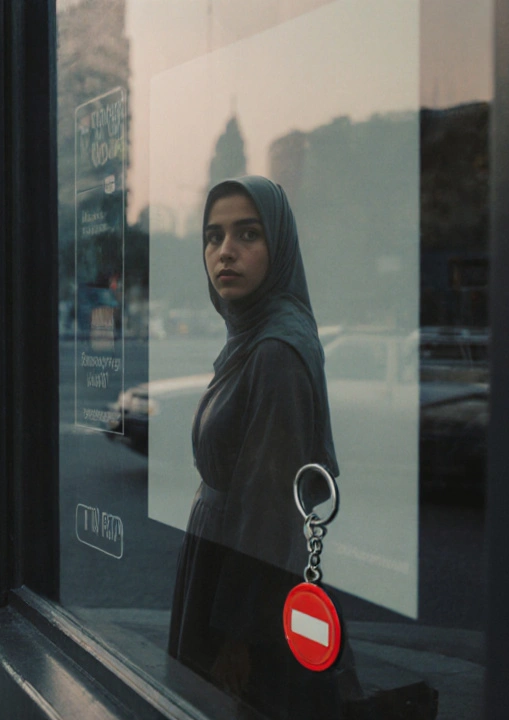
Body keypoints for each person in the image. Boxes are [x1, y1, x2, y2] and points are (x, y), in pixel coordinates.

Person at [167, 176, 356, 717]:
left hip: (245, 596)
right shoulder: (250, 338)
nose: (225, 251)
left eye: (247, 234)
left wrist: (239, 639)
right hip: (225, 567)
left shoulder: (276, 350)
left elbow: (271, 509)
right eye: (213, 236)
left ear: (279, 245)